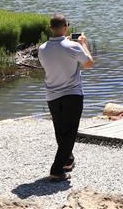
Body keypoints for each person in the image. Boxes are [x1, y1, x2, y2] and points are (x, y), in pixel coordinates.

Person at [38, 13, 94, 182]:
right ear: (66, 27)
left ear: (50, 28)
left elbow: (55, 62)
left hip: (52, 95)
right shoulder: (73, 46)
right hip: (72, 94)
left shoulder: (42, 48)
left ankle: (67, 161)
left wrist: (69, 43)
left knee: (60, 130)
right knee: (69, 133)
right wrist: (83, 44)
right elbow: (89, 63)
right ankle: (56, 170)